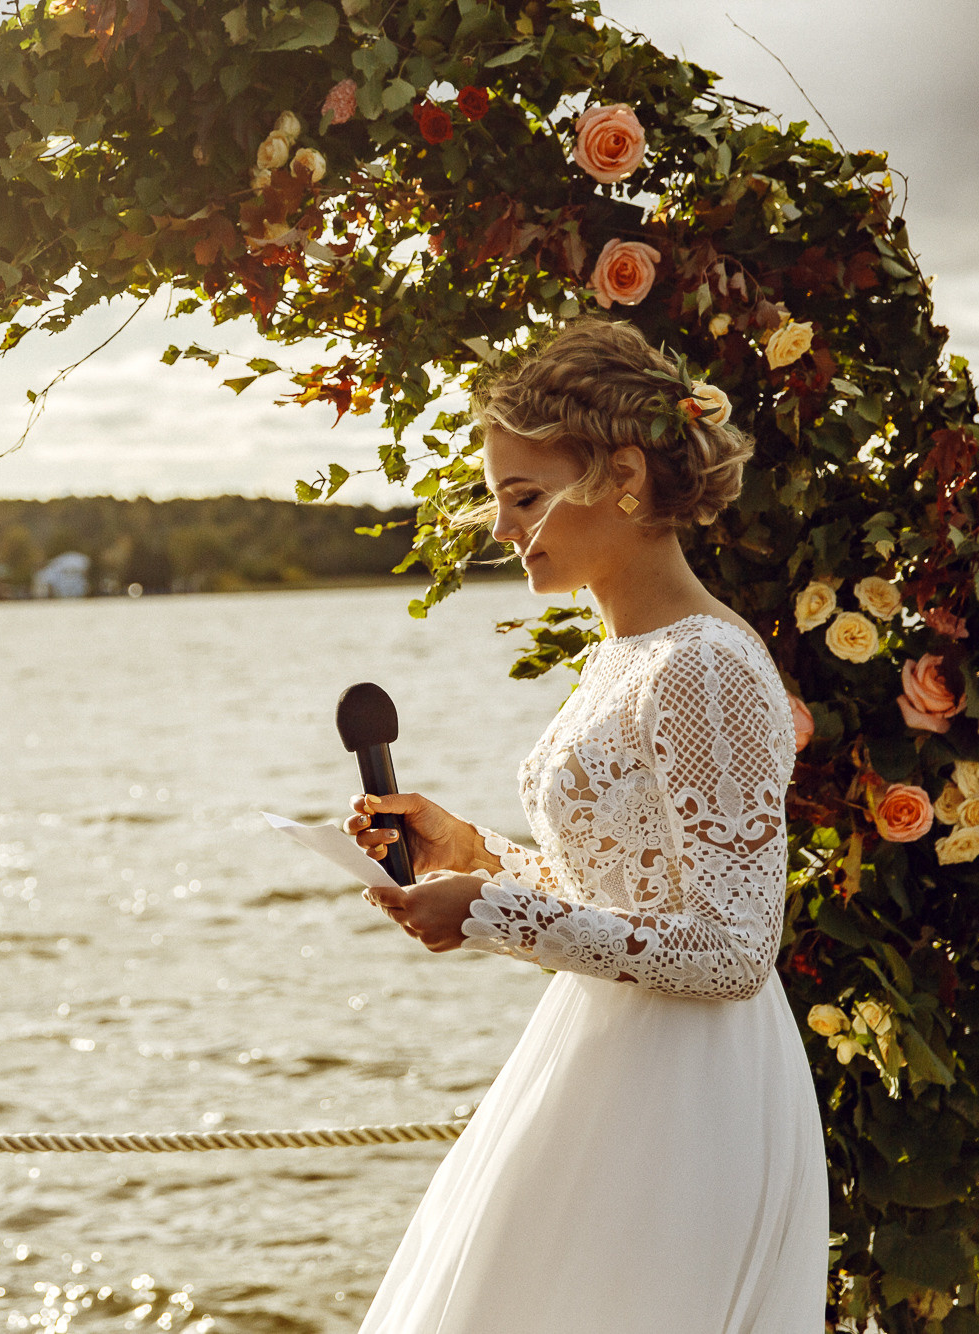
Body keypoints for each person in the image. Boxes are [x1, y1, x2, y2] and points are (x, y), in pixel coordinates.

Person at [343, 320, 828, 1332]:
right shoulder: (628, 652)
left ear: (618, 476)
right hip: (609, 1053)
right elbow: (634, 895)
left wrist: (492, 914)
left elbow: (734, 948)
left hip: (686, 1095)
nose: (497, 522)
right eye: (497, 495)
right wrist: (476, 855)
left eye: (522, 495)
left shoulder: (700, 663)